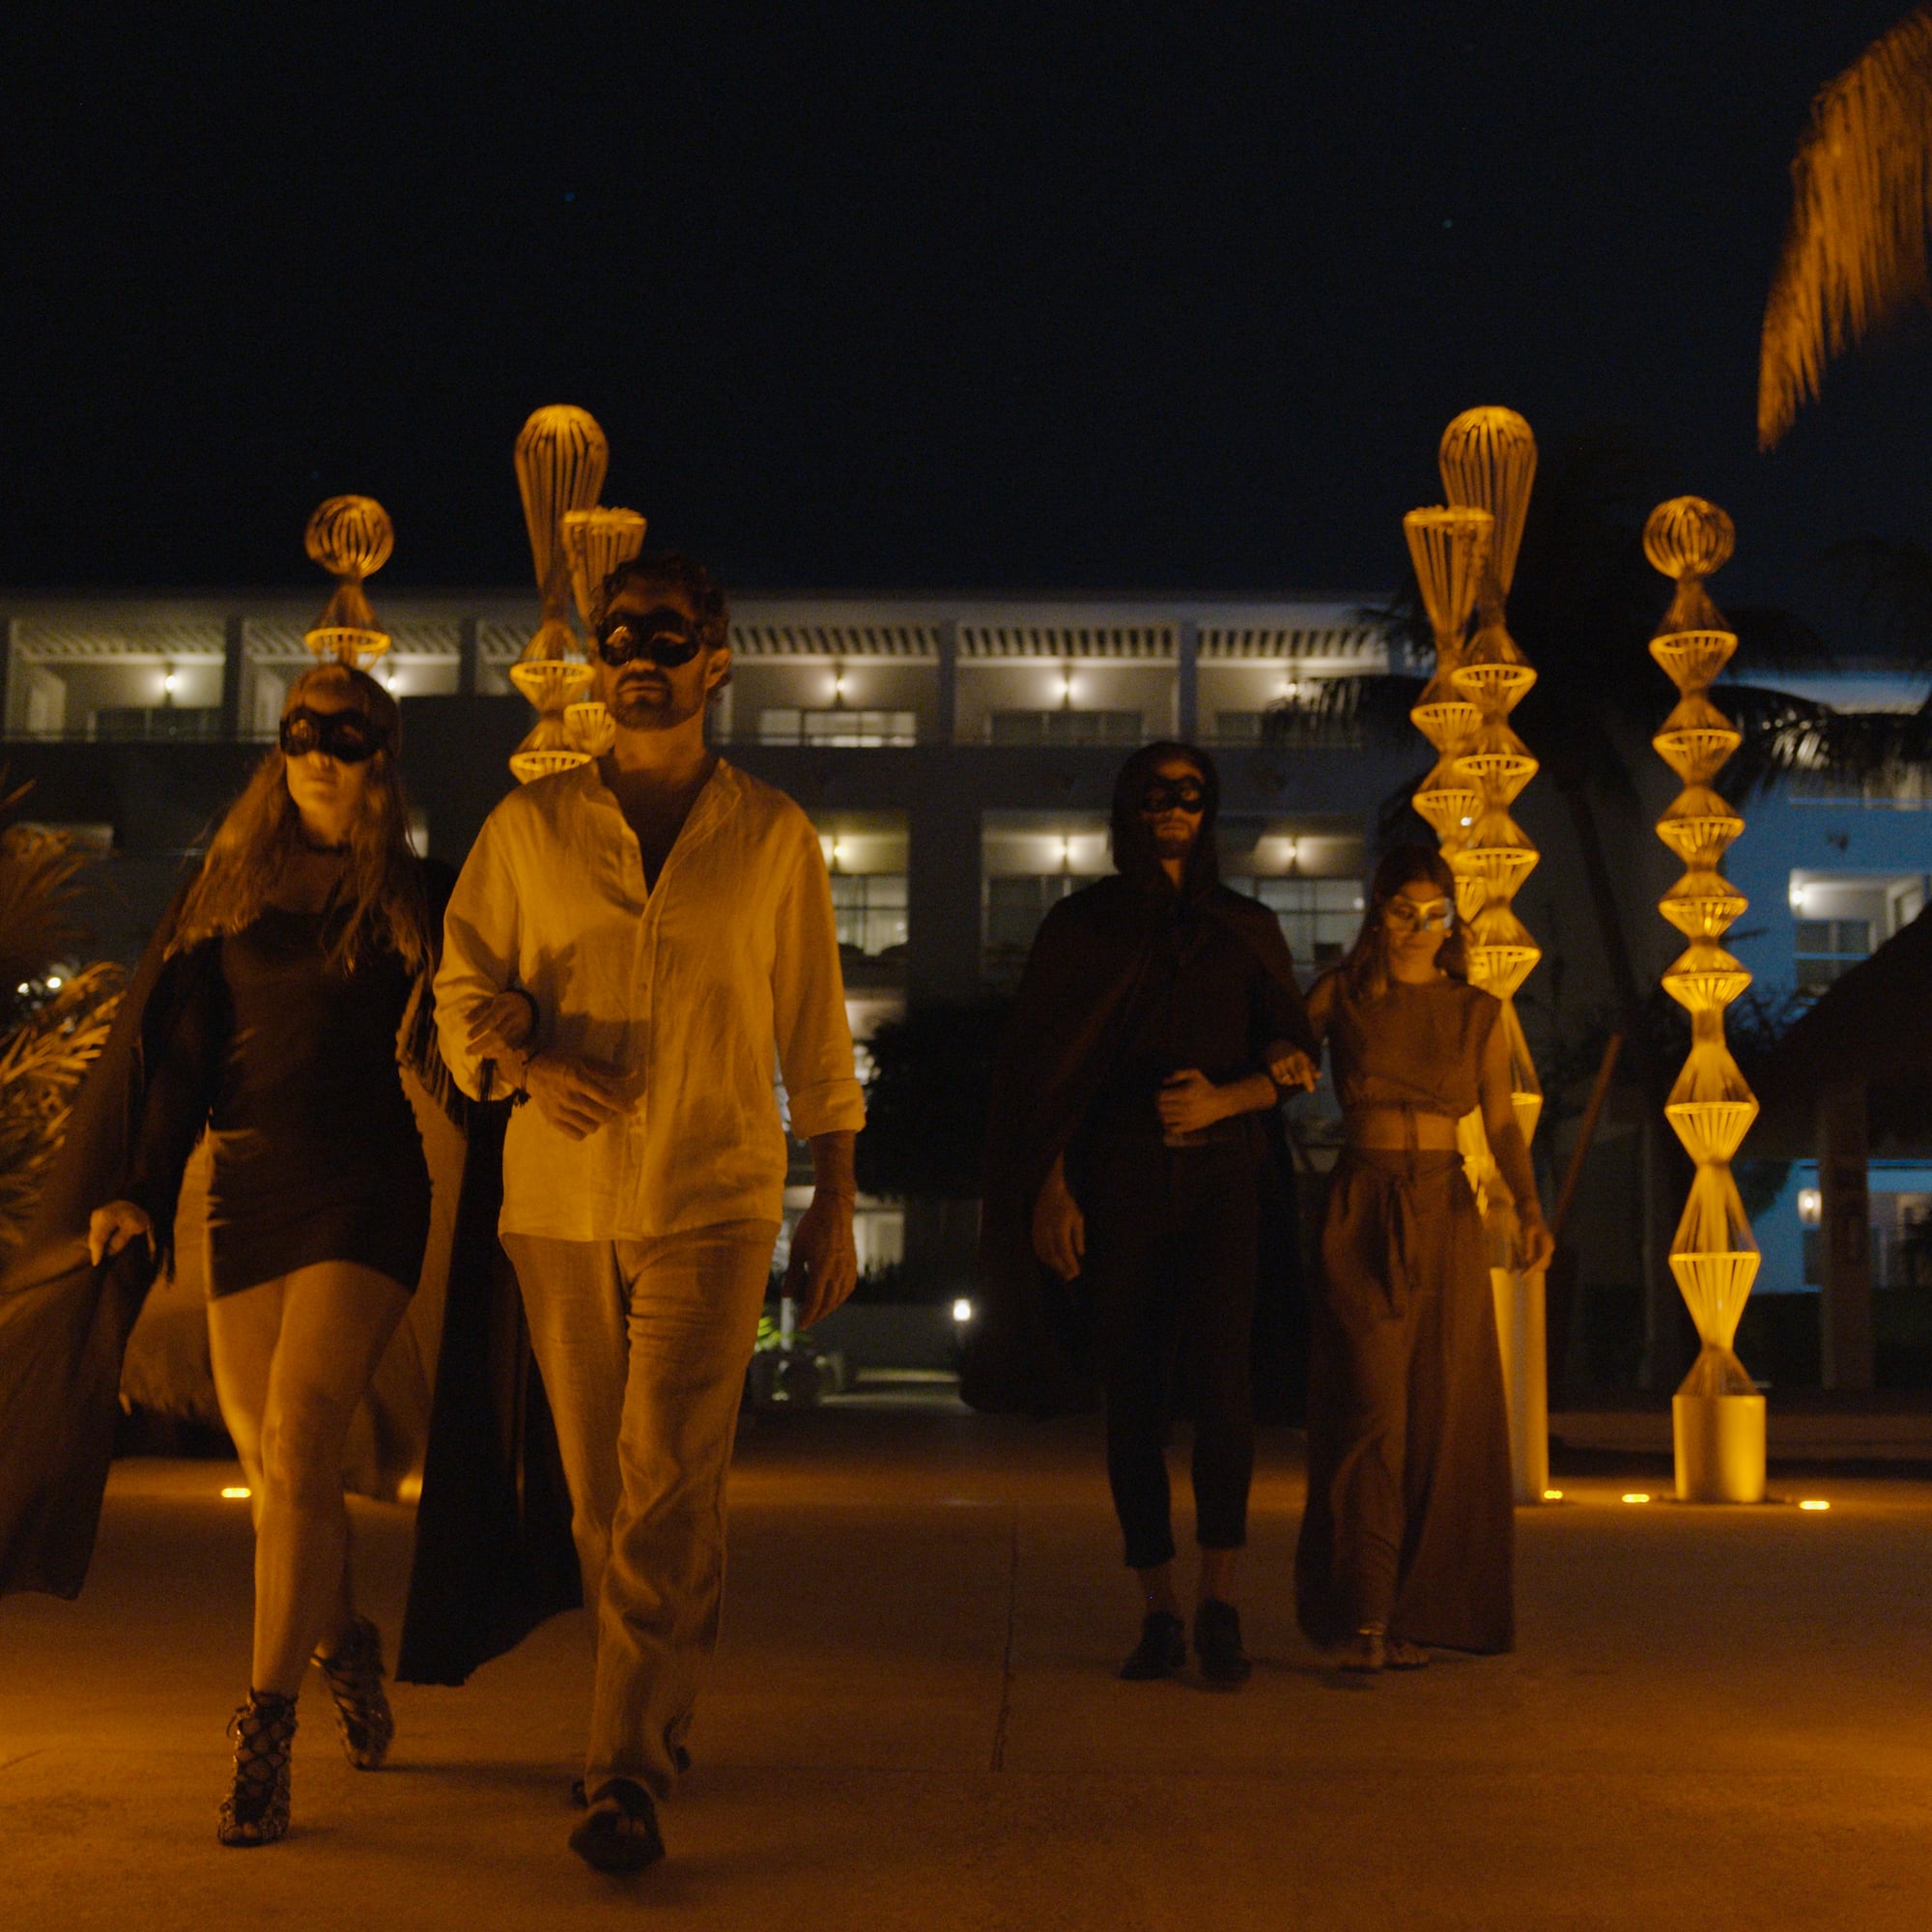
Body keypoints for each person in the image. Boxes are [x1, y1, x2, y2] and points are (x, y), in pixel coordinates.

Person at [433, 550, 865, 1873]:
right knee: (603, 1501)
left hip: (718, 1195)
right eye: (618, 633)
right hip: (560, 1206)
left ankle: (618, 1772)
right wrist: (526, 1061)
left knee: (667, 1479)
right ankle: (657, 1721)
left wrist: (833, 1203)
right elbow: (461, 998)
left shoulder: (774, 836)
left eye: (664, 635)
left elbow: (815, 1035)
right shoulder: (532, 828)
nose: (637, 652)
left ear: (715, 659)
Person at [79, 663, 449, 1843]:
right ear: (278, 747)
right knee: (281, 1484)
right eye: (300, 732)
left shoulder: (409, 894)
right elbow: (181, 1060)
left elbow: (474, 1029)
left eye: (345, 735)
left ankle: (262, 1734)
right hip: (246, 1194)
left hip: (367, 1192)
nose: (319, 753)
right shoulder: (225, 889)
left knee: (296, 1440)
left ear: (379, 755)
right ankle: (343, 1640)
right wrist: (138, 1188)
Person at [982, 743, 1317, 1689]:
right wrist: (1049, 1189)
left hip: (1221, 1185)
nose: (1173, 808)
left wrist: (1229, 1096)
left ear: (1208, 810)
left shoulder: (1244, 926)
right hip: (1116, 1186)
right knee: (1128, 1399)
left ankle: (1220, 1601)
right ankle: (1158, 1610)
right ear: (1127, 809)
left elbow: (1296, 1054)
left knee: (1222, 1392)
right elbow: (1039, 1073)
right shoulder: (1080, 926)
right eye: (1155, 794)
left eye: (1190, 794)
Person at [1289, 843, 1552, 1671]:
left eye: (1433, 914)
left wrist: (1530, 1207)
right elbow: (1278, 1054)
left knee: (1445, 1413)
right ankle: (1364, 1612)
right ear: (1377, 910)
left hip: (1448, 1209)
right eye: (1402, 910)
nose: (1417, 928)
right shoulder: (1344, 993)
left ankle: (1413, 1613)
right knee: (1374, 1409)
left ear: (1451, 921)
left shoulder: (1476, 1008)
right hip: (1364, 1206)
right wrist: (1275, 1063)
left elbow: (1502, 1121)